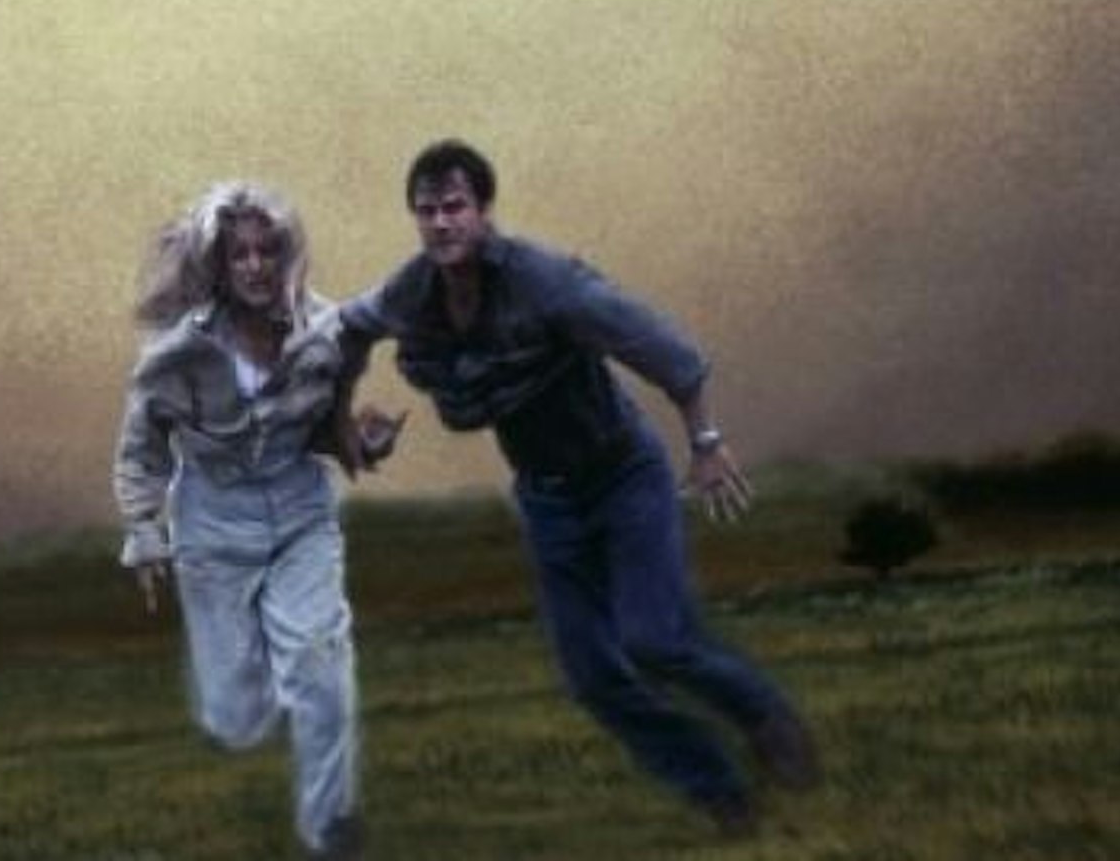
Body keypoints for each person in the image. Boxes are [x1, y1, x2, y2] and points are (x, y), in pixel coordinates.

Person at [337, 137, 818, 839]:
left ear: (483, 210)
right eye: (425, 211)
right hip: (547, 496)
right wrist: (347, 426)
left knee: (655, 639)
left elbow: (664, 348)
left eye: (454, 207)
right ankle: (718, 789)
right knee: (593, 677)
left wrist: (706, 444)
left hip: (623, 474)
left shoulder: (545, 281)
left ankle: (760, 714)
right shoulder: (412, 292)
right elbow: (349, 331)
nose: (440, 224)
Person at [114, 180, 400, 859]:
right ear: (218, 264)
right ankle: (248, 697)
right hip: (214, 529)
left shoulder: (325, 332)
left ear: (284, 254)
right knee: (237, 718)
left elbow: (324, 435)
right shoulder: (175, 353)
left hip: (301, 515)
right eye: (238, 254)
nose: (253, 267)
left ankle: (329, 824)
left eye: (265, 251)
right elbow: (141, 448)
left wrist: (362, 440)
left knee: (321, 666)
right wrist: (145, 531)